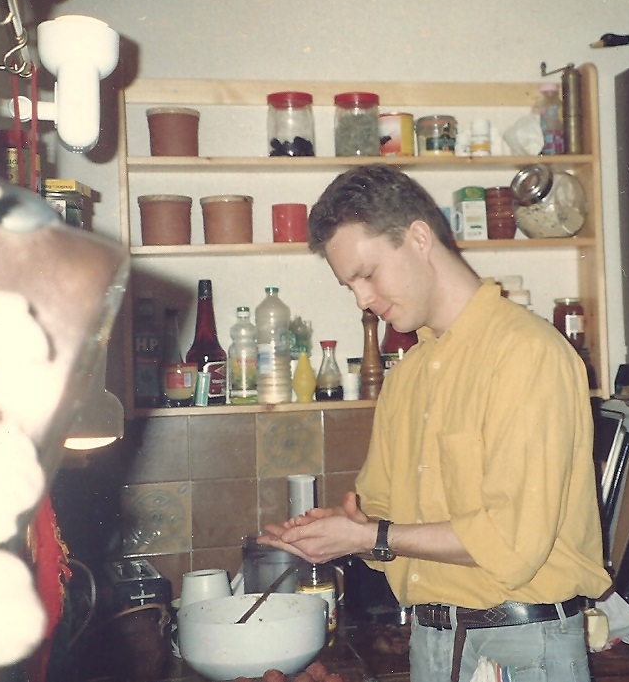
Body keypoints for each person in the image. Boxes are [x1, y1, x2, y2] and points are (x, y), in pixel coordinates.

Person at [258, 164, 610, 682]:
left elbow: (511, 544)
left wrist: (371, 537)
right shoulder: (408, 378)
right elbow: (387, 524)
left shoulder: (527, 353)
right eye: (348, 284)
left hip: (522, 649)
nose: (362, 300)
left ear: (418, 237)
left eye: (367, 274)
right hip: (432, 644)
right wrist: (340, 531)